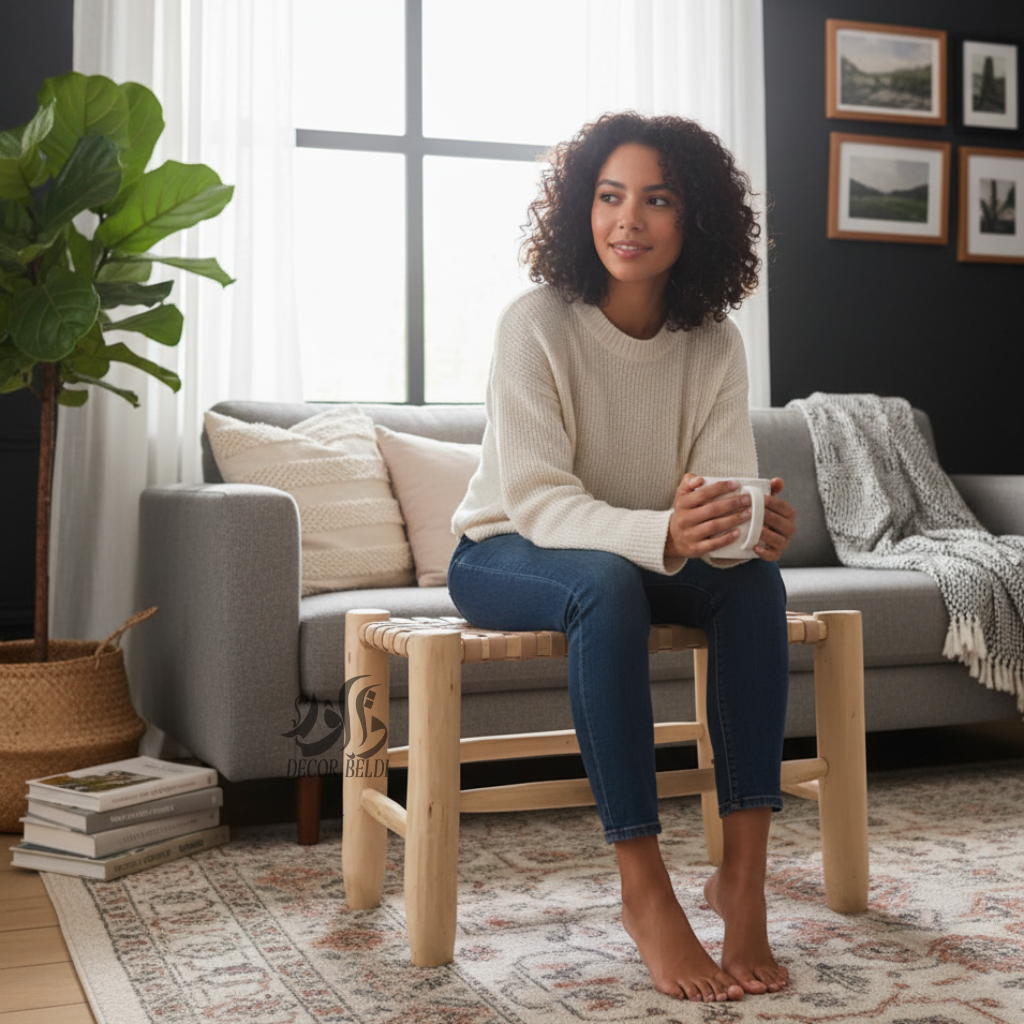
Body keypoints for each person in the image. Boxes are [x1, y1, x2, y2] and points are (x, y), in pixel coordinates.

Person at [448, 112, 797, 1003]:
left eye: (656, 198)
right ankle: (645, 892)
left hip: (633, 553)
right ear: (581, 209)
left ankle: (743, 884)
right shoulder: (534, 325)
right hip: (504, 550)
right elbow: (534, 499)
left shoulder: (715, 344)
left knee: (755, 580)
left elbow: (716, 494)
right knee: (606, 584)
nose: (627, 220)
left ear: (696, 221)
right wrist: (667, 536)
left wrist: (747, 526)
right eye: (608, 196)